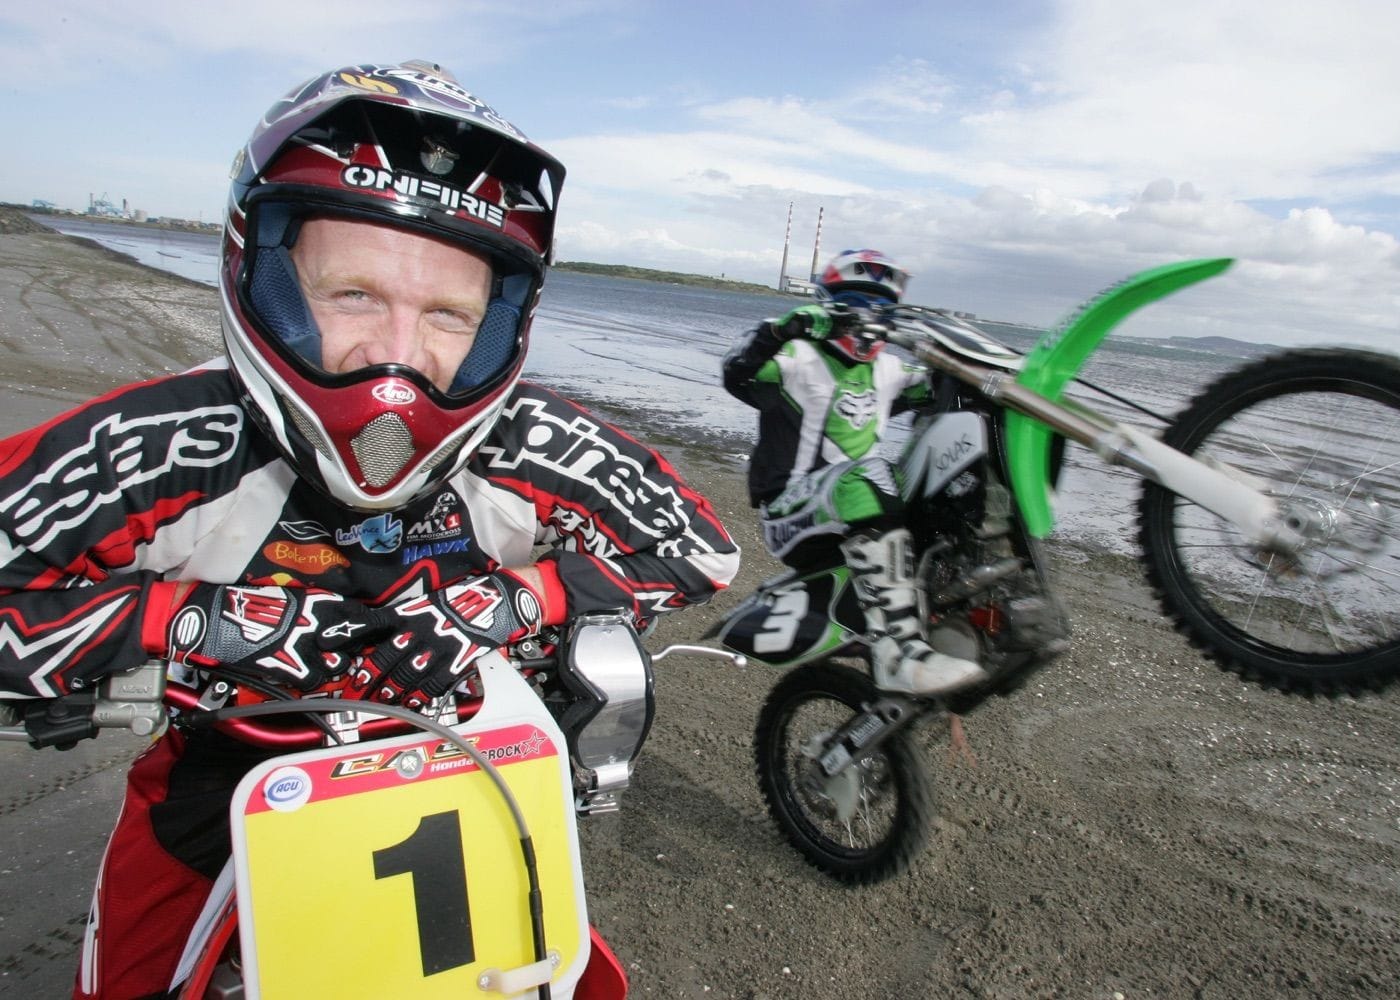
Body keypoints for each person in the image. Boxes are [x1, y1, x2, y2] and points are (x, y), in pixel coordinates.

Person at [0, 60, 739, 999]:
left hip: (461, 770)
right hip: (223, 780)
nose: (397, 353)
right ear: (263, 273)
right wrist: (187, 623)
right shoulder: (165, 445)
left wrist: (514, 602)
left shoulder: (529, 439)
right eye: (353, 293)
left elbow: (700, 544)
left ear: (498, 323)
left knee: (563, 980)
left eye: (447, 313)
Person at [722, 249, 984, 696]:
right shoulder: (795, 358)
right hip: (791, 510)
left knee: (946, 473)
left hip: (854, 505)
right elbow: (737, 371)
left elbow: (946, 392)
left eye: (879, 306)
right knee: (868, 474)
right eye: (855, 302)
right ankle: (897, 652)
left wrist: (967, 366)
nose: (867, 315)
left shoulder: (890, 369)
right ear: (828, 303)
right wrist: (783, 328)